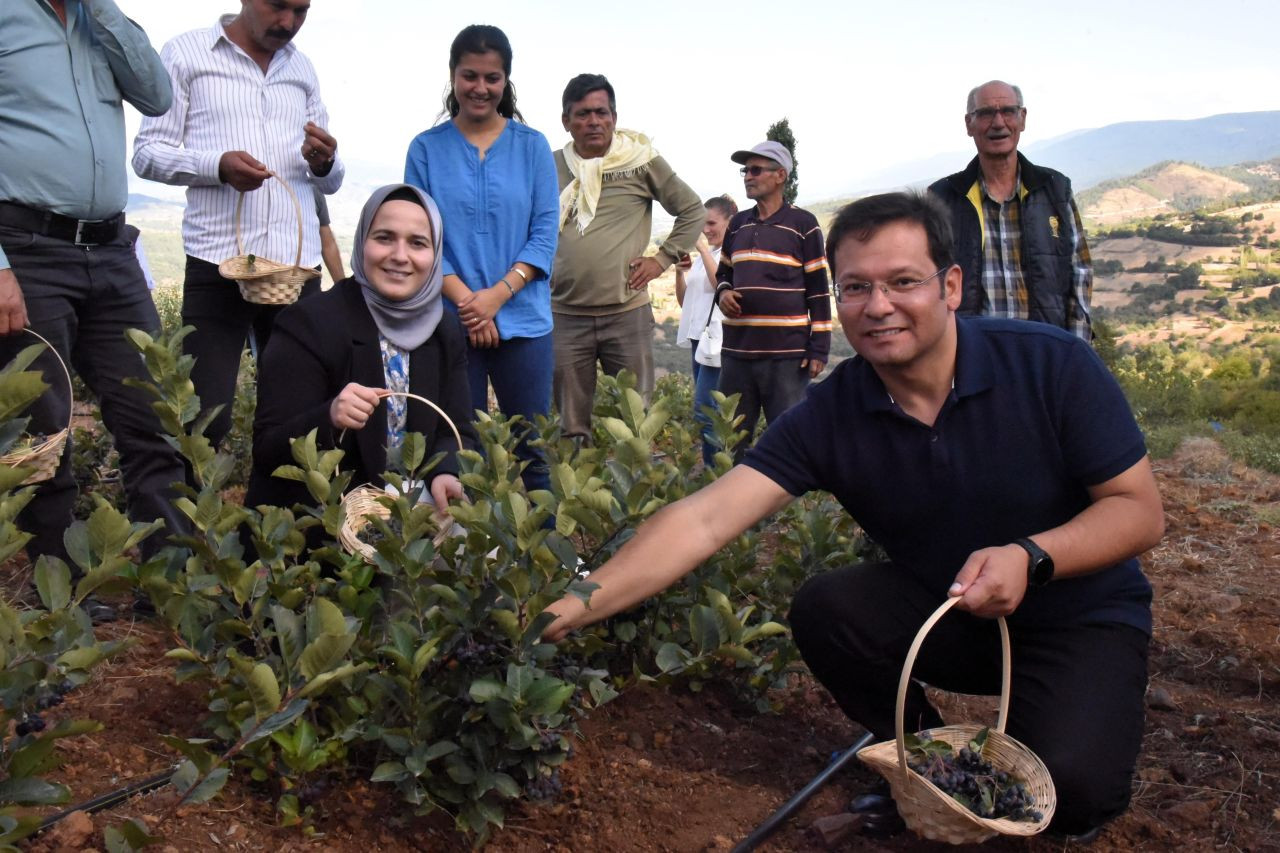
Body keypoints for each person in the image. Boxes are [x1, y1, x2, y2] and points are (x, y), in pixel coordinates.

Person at [542, 192, 1165, 839]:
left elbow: (1140, 512)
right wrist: (567, 608)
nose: (879, 306)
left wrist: (1030, 557)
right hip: (950, 610)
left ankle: (1052, 741)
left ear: (950, 285)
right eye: (856, 287)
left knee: (1068, 790)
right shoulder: (833, 413)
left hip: (1078, 616)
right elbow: (703, 519)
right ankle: (923, 761)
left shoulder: (1049, 364)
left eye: (903, 282)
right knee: (827, 609)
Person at [0, 0, 189, 622]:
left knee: (155, 410)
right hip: (27, 249)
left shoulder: (99, 20)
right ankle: (61, 597)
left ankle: (167, 580)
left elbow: (158, 95)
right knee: (42, 431)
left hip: (110, 250)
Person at [132, 0, 344, 452]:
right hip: (218, 263)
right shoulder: (187, 54)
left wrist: (325, 162)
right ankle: (194, 517)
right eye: (278, 7)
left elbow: (330, 179)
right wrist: (217, 166)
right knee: (205, 417)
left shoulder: (302, 69)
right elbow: (148, 153)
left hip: (295, 269)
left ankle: (278, 516)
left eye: (302, 11)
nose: (288, 23)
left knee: (298, 418)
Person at [245, 184, 476, 514]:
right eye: (384, 238)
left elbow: (457, 428)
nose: (400, 255)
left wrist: (447, 471)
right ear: (362, 241)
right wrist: (330, 417)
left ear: (435, 252)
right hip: (322, 523)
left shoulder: (442, 327)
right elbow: (268, 449)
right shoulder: (308, 324)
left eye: (417, 243)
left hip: (410, 519)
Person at [404, 24, 558, 493]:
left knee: (535, 452)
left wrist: (496, 296)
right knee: (456, 450)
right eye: (470, 75)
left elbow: (544, 232)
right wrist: (472, 306)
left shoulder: (533, 147)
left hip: (526, 323)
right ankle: (468, 561)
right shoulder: (426, 149)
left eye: (492, 78)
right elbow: (420, 238)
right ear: (453, 76)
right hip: (450, 322)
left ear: (506, 82)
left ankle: (547, 560)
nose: (480, 88)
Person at [551, 74, 704, 442]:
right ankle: (576, 498)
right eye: (583, 114)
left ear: (614, 118)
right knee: (571, 426)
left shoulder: (641, 162)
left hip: (626, 314)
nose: (594, 122)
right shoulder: (550, 165)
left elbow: (692, 210)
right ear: (566, 121)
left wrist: (662, 258)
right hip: (564, 316)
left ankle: (635, 498)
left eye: (601, 112)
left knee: (637, 422)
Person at [928, 80, 1093, 340]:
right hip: (971, 354)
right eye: (985, 113)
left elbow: (1079, 275)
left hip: (1045, 355)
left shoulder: (1055, 190)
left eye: (1007, 111)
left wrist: (1077, 351)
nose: (998, 122)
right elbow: (931, 283)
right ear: (969, 124)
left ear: (1022, 118)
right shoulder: (942, 199)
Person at [715, 141, 831, 454]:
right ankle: (734, 502)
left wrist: (819, 347)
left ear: (780, 175)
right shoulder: (738, 224)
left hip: (787, 356)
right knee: (731, 440)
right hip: (737, 352)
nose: (747, 177)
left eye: (755, 170)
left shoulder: (804, 225)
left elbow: (819, 289)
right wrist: (723, 292)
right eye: (745, 170)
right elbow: (723, 273)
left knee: (789, 439)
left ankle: (788, 503)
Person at [674, 196, 737, 467]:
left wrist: (700, 248)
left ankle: (716, 473)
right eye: (702, 224)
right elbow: (684, 300)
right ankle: (716, 470)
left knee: (706, 413)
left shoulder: (730, 255)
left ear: (729, 222)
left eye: (711, 223)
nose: (706, 229)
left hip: (716, 343)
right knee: (708, 414)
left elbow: (720, 283)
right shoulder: (707, 256)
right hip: (698, 340)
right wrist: (679, 274)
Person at [315, 187, 346, 283]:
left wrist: (341, 288)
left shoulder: (313, 190)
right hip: (270, 281)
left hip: (308, 282)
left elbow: (327, 244)